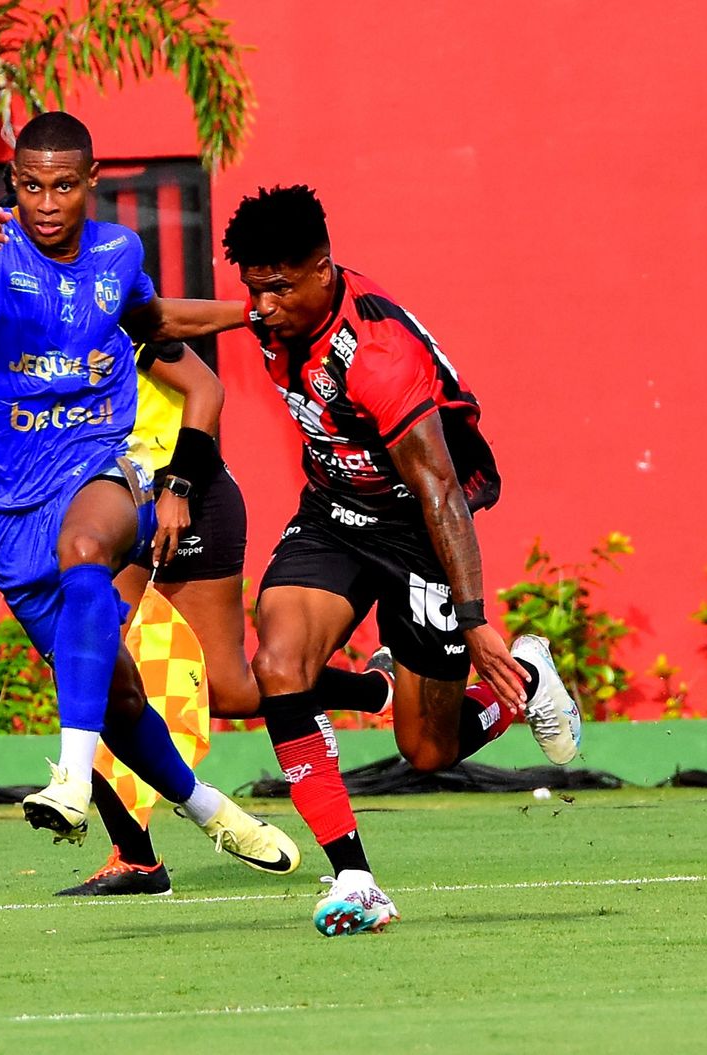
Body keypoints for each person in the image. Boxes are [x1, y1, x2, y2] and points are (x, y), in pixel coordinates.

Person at [0, 112, 299, 875]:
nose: (47, 203)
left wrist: (253, 312)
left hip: (98, 464)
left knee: (86, 546)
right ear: (14, 184)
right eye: (32, 186)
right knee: (119, 698)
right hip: (9, 507)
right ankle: (211, 810)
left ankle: (72, 778)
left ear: (91, 182)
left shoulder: (118, 251)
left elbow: (153, 319)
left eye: (64, 186)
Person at [221, 184, 582, 935]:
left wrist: (475, 621)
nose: (263, 307)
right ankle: (355, 877)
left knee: (426, 750)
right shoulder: (273, 312)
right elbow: (184, 317)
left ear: (324, 268)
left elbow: (441, 489)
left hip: (420, 521)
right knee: (279, 665)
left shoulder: (379, 356)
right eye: (253, 289)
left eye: (279, 288)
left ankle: (522, 680)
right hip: (334, 512)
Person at [58, 338, 393, 896]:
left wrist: (178, 486)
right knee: (96, 673)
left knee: (231, 691)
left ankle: (374, 690)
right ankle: (136, 860)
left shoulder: (123, 317)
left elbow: (207, 389)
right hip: (105, 507)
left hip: (188, 499)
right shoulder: (22, 340)